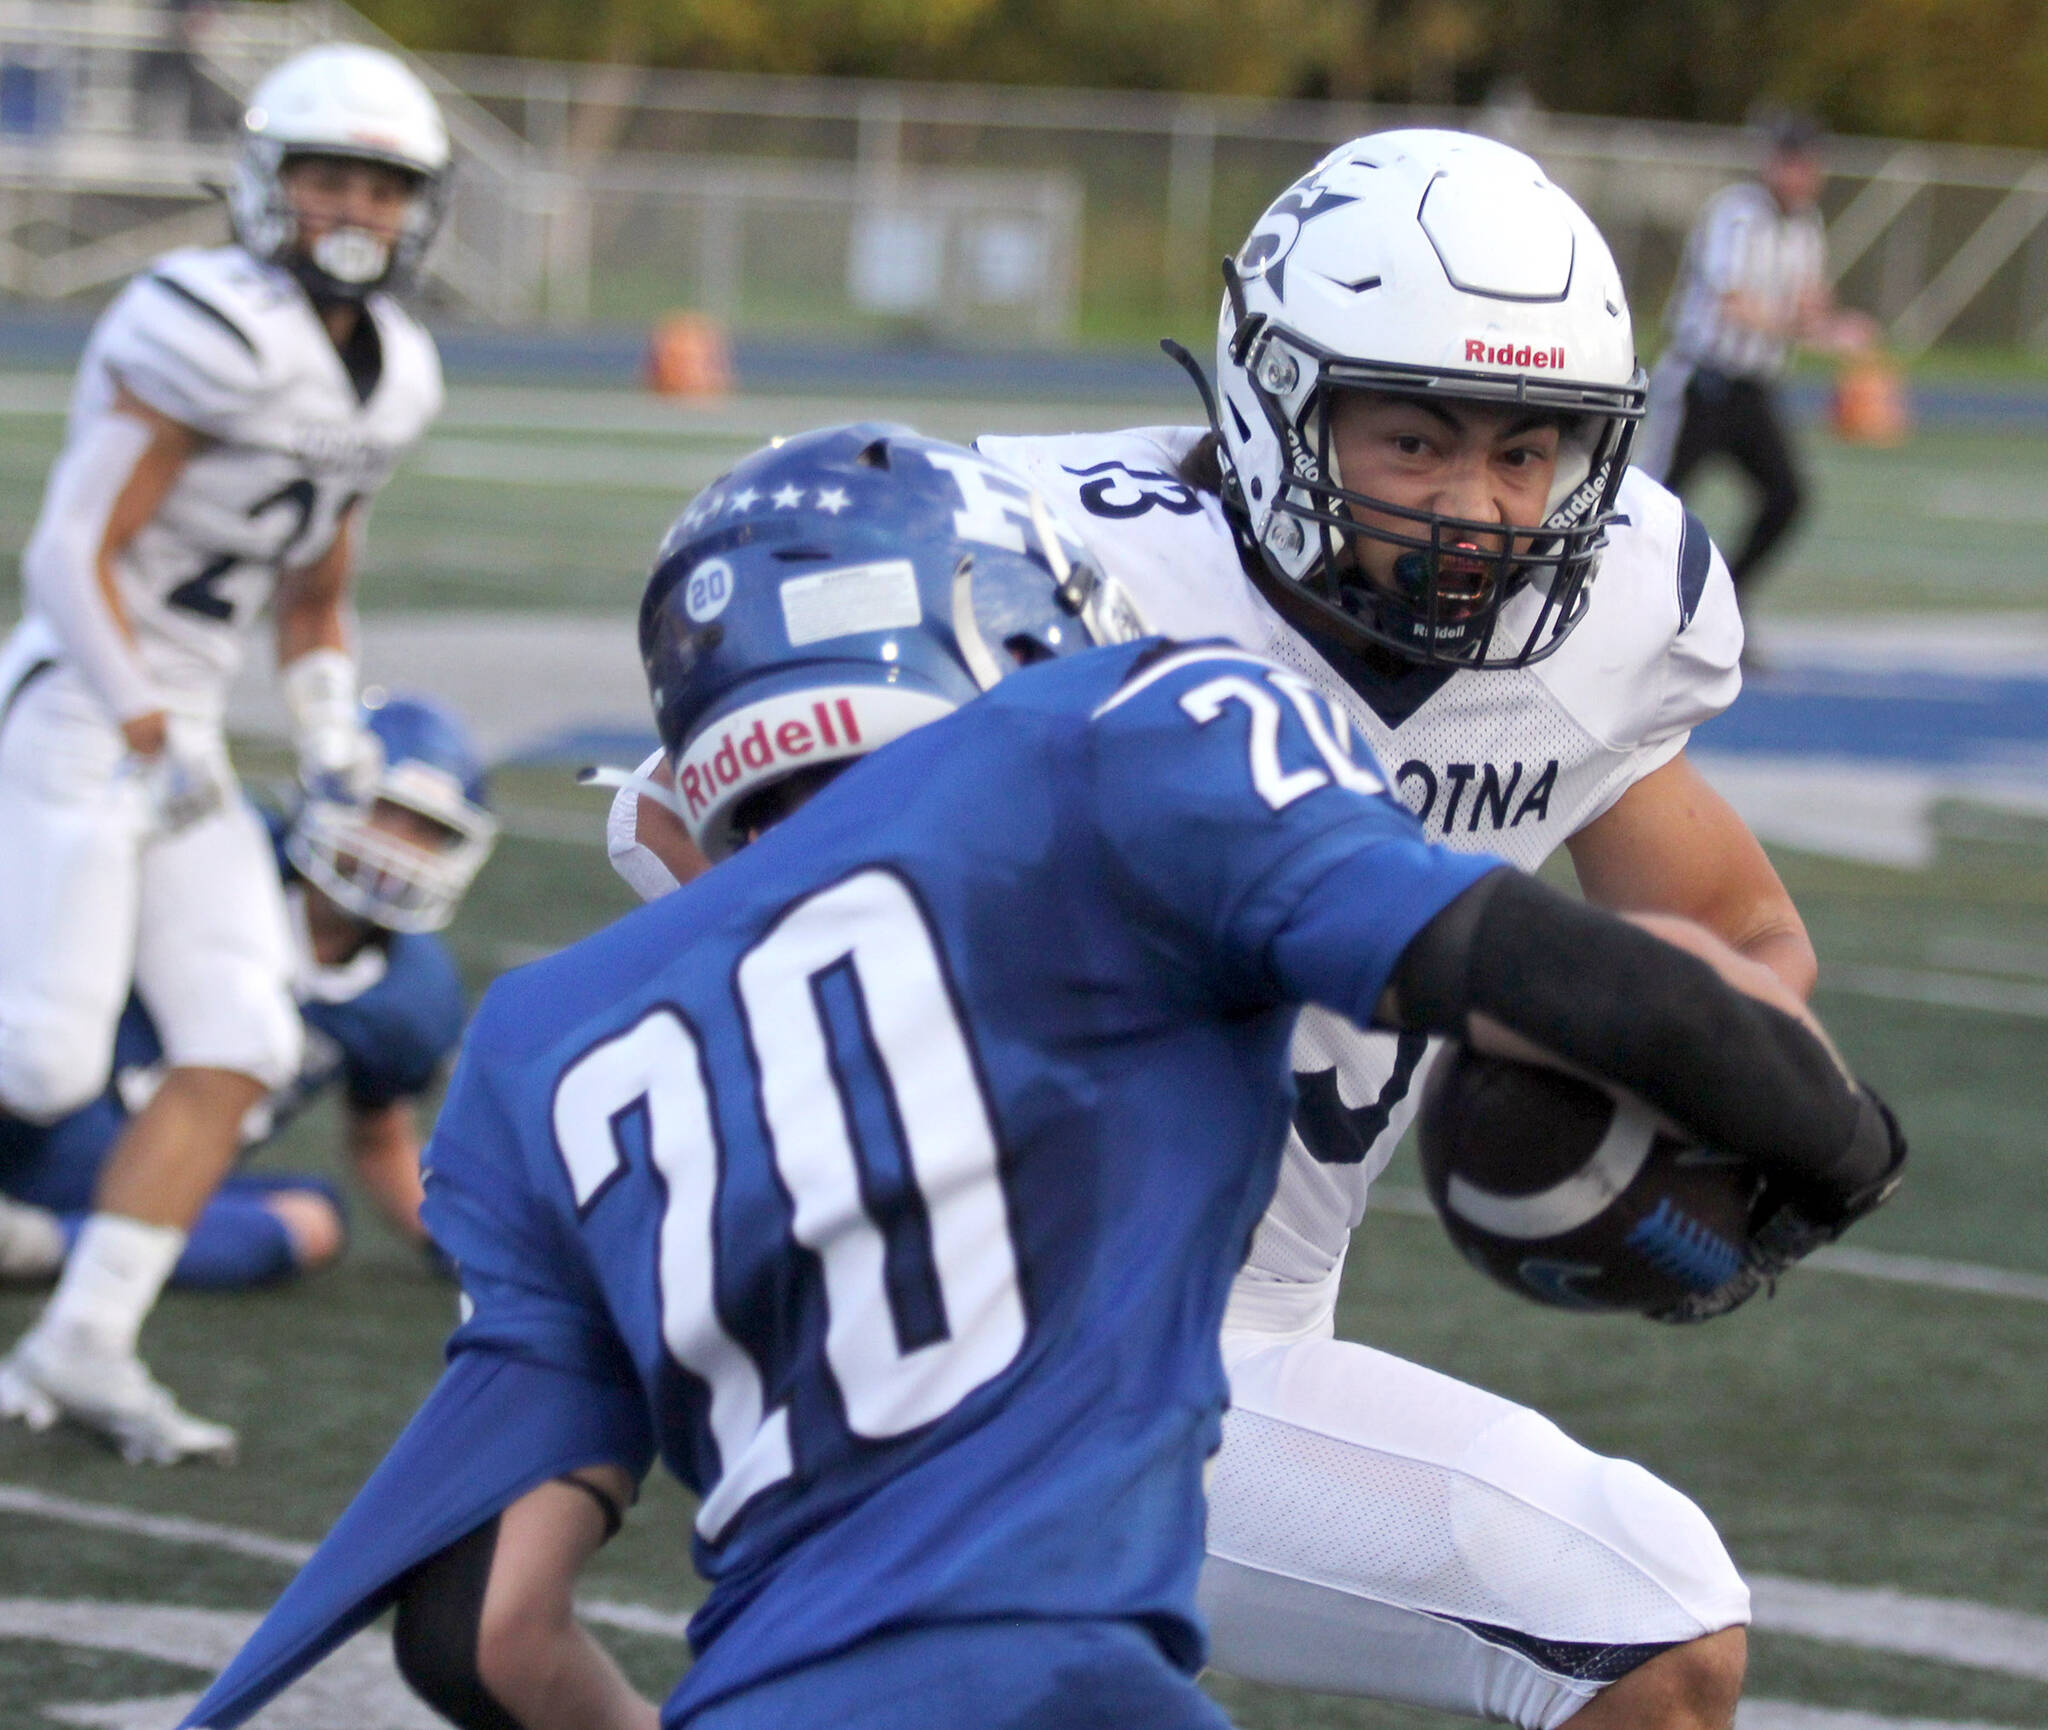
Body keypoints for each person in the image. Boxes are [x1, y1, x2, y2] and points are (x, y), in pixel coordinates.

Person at [177, 426, 1902, 1730]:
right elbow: (1537, 968)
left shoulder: (544, 1045)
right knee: (1653, 1599)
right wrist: (1830, 1137)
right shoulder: (1114, 763)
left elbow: (474, 1630)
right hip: (1060, 1668)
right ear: (995, 637)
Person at [973, 127, 1833, 1729]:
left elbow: (1732, 926)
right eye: (1418, 441)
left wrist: (1719, 1091)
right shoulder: (1055, 571)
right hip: (990, 1344)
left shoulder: (1599, 624)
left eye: (1527, 452)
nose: (1479, 511)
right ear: (1275, 400)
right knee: (1648, 1610)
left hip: (1245, 1333)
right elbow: (692, 829)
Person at [0, 42, 448, 1464]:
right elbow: (70, 552)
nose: (352, 206)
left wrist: (324, 721)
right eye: (326, 177)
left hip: (174, 729)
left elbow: (312, 593)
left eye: (379, 184)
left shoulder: (394, 376)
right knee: (38, 1056)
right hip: (80, 701)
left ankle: (81, 1341)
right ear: (268, 184)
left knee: (244, 1039)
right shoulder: (199, 316)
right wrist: (140, 720)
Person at [0, 695, 495, 1293]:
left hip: (164, 1176)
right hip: (35, 1111)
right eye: (381, 811)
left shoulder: (412, 996)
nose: (394, 846)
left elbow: (379, 1139)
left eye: (426, 831)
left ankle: (36, 1245)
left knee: (313, 1222)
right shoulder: (213, 861)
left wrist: (460, 1242)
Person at [1636, 112, 1877, 618]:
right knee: (1650, 506)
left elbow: (1808, 302)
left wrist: (1835, 322)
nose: (1799, 176)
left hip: (1753, 389)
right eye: (1790, 162)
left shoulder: (1807, 225)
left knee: (1786, 498)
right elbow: (1734, 301)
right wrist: (1817, 330)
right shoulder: (1736, 214)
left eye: (1808, 164)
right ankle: (1615, 609)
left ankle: (1726, 604)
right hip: (1702, 383)